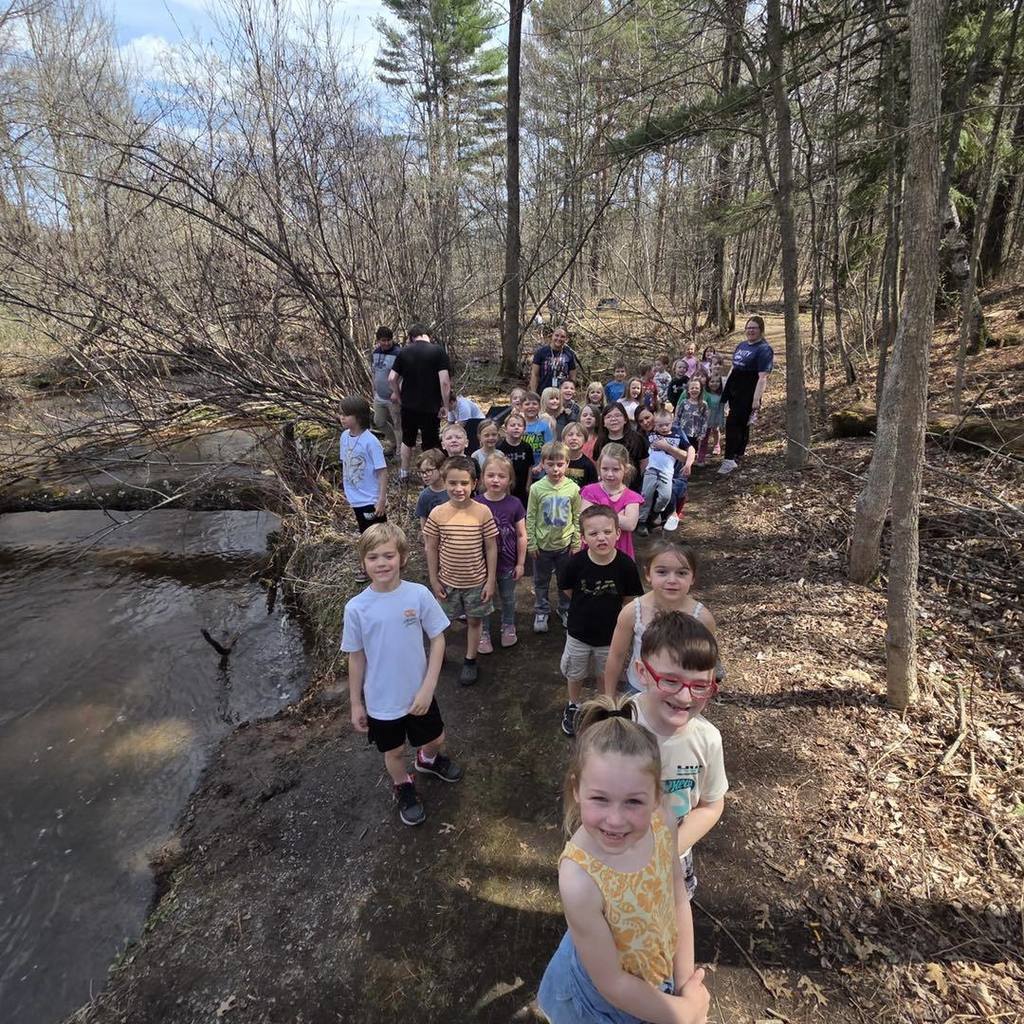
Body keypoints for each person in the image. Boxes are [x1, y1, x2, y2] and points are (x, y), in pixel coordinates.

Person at [535, 697, 709, 1024]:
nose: (615, 820)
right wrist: (682, 1015)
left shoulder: (663, 821)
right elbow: (613, 983)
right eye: (600, 799)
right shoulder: (578, 879)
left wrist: (685, 987)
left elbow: (677, 897)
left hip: (657, 977)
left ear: (657, 796)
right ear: (577, 790)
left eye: (633, 801)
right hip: (607, 1002)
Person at [341, 523, 463, 827]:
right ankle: (404, 785)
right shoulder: (356, 608)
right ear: (363, 563)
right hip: (381, 699)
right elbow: (356, 657)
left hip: (418, 693)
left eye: (388, 555)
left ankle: (427, 760)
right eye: (373, 558)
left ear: (403, 557)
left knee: (436, 737)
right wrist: (356, 703)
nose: (381, 563)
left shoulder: (418, 595)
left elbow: (437, 639)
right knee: (394, 750)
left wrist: (428, 687)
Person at [630, 612, 728, 899]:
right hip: (616, 850)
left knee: (672, 913)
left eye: (700, 686)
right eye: (670, 681)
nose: (685, 698)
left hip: (676, 854)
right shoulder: (619, 726)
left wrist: (668, 850)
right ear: (642, 672)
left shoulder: (707, 740)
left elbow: (711, 805)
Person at [557, 506, 644, 736]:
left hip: (611, 637)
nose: (601, 537)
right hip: (578, 632)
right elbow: (567, 589)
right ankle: (573, 705)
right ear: (584, 538)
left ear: (618, 533)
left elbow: (630, 598)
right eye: (593, 533)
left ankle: (602, 706)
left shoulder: (626, 566)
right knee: (574, 672)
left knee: (605, 674)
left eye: (607, 531)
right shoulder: (575, 563)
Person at [604, 541, 717, 698]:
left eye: (682, 573)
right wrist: (609, 697)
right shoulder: (632, 612)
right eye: (662, 572)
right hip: (639, 689)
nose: (672, 580)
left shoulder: (703, 618)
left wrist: (699, 696)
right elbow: (616, 655)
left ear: (693, 577)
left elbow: (707, 664)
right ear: (648, 574)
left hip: (681, 693)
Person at [423, 457, 499, 686]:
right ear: (444, 482)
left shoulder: (482, 511)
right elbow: (431, 547)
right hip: (447, 582)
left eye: (464, 483)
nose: (459, 489)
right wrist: (434, 580)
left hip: (476, 581)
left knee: (475, 622)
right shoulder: (437, 513)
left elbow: (491, 546)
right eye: (453, 483)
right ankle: (439, 654)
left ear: (474, 483)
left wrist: (490, 580)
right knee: (441, 623)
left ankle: (470, 660)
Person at [527, 441, 581, 633]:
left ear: (567, 464)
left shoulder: (573, 488)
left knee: (564, 580)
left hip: (565, 545)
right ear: (543, 464)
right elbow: (531, 516)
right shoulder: (537, 489)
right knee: (541, 581)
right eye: (550, 464)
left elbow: (577, 516)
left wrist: (576, 541)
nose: (555, 469)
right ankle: (541, 610)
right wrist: (531, 542)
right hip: (542, 546)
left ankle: (564, 608)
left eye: (560, 464)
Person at [475, 453, 527, 651]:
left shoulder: (515, 504)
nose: (495, 480)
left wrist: (521, 563)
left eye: (501, 476)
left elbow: (522, 535)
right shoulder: (477, 504)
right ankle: (484, 632)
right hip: (481, 564)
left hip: (507, 562)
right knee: (484, 598)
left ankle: (508, 625)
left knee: (507, 597)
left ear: (510, 480)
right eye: (491, 475)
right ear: (482, 478)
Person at [389, 323, 451, 479]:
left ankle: (403, 473)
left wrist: (398, 395)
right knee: (429, 443)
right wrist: (445, 405)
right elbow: (444, 382)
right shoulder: (438, 351)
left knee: (407, 440)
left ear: (411, 337)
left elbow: (391, 378)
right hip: (430, 407)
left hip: (408, 405)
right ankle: (428, 475)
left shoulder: (404, 352)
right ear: (428, 335)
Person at [339, 397, 388, 581]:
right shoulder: (344, 437)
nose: (342, 418)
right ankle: (371, 566)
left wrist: (381, 499)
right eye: (341, 414)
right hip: (355, 497)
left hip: (370, 499)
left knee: (376, 535)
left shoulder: (371, 441)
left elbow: (382, 472)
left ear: (359, 417)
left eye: (346, 415)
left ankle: (377, 568)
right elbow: (346, 464)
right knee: (364, 532)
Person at [719, 316, 773, 476]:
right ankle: (737, 454)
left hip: (749, 389)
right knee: (741, 423)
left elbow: (763, 376)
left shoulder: (764, 349)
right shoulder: (741, 345)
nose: (750, 330)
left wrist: (756, 399)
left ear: (760, 330)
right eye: (748, 327)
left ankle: (729, 458)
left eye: (754, 328)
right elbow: (733, 368)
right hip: (734, 385)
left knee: (734, 423)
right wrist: (726, 388)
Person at [580, 443, 643, 560]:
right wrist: (618, 517)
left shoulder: (632, 497)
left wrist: (598, 512)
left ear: (626, 469)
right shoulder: (589, 491)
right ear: (599, 467)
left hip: (620, 551)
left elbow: (630, 524)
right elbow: (585, 519)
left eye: (615, 469)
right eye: (605, 469)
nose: (609, 474)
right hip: (593, 549)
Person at [638, 410, 694, 536]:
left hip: (668, 472)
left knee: (665, 496)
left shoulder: (677, 436)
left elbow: (690, 449)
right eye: (660, 425)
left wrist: (688, 464)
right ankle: (642, 521)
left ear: (671, 423)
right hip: (651, 471)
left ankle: (656, 513)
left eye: (666, 425)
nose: (664, 428)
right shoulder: (650, 435)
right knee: (645, 495)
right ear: (656, 424)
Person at [592, 402, 649, 484]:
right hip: (608, 485)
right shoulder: (600, 441)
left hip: (633, 486)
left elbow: (644, 461)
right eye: (608, 417)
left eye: (617, 415)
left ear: (625, 419)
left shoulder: (637, 439)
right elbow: (597, 463)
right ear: (603, 422)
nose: (613, 419)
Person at [370, 326, 402, 453]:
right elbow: (374, 372)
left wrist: (396, 392)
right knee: (379, 421)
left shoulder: (399, 353)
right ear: (378, 340)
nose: (387, 343)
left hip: (394, 397)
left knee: (398, 424)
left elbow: (404, 376)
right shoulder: (375, 353)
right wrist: (374, 388)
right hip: (379, 396)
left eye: (389, 340)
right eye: (383, 340)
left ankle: (400, 451)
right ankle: (393, 443)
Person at [497, 411, 533, 506]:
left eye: (520, 425)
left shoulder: (527, 447)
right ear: (505, 429)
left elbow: (530, 466)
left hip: (523, 485)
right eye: (512, 425)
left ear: (524, 429)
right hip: (507, 486)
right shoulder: (500, 447)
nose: (516, 427)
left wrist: (528, 484)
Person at [531, 325, 579, 393]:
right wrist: (533, 393)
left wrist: (571, 391)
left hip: (562, 393)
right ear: (552, 336)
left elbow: (572, 376)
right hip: (544, 392)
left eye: (562, 337)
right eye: (556, 335)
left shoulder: (569, 354)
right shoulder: (541, 352)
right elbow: (534, 375)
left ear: (566, 339)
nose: (559, 338)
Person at [674, 379, 708, 463]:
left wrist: (702, 433)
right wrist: (675, 429)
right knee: (681, 450)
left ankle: (688, 467)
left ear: (700, 390)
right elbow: (678, 417)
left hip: (695, 434)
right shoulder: (684, 403)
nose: (694, 390)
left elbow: (705, 420)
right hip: (682, 432)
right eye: (692, 388)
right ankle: (679, 467)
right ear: (688, 390)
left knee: (692, 451)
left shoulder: (703, 404)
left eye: (697, 388)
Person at [415, 449, 448, 526]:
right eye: (421, 472)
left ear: (441, 469)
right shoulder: (424, 496)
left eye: (428, 471)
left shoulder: (453, 490)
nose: (424, 475)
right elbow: (424, 523)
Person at [522, 391, 555, 469]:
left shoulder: (544, 426)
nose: (531, 406)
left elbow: (549, 448)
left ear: (539, 407)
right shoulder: (518, 425)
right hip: (522, 467)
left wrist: (541, 466)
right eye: (527, 404)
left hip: (540, 467)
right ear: (521, 407)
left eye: (534, 404)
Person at [562, 422, 598, 488]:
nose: (574, 438)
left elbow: (593, 489)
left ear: (585, 440)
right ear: (563, 439)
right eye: (570, 435)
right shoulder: (557, 461)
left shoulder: (589, 465)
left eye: (578, 435)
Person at [699, 376, 725, 464]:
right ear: (708, 383)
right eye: (712, 381)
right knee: (704, 437)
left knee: (715, 430)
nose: (714, 383)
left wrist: (722, 421)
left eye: (717, 382)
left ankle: (716, 445)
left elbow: (721, 409)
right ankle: (701, 455)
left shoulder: (721, 395)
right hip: (705, 420)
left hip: (715, 418)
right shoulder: (705, 394)